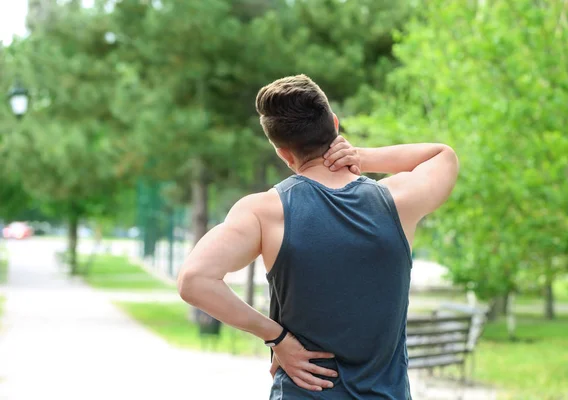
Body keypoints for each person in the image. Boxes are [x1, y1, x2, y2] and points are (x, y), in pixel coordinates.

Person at [177, 74, 459, 399]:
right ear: (335, 125)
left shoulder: (264, 212)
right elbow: (442, 156)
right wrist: (361, 157)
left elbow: (194, 279)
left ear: (284, 154)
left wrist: (277, 338)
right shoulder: (396, 201)